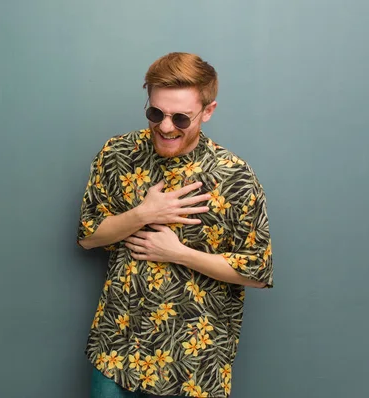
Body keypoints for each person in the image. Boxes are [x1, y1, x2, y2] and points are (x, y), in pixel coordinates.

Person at [76, 52, 273, 398]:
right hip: (117, 349)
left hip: (193, 364)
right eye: (156, 113)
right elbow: (88, 237)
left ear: (207, 112)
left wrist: (179, 253)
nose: (166, 127)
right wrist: (143, 214)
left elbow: (257, 271)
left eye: (181, 118)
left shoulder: (234, 177)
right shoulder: (118, 154)